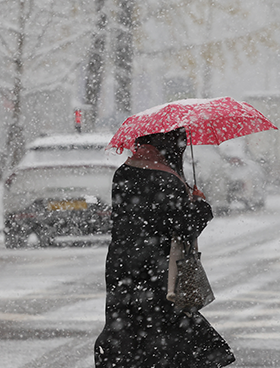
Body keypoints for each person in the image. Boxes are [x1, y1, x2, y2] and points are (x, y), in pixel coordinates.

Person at [94, 127, 235, 368]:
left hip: (122, 266)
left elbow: (139, 217)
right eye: (180, 143)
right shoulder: (167, 178)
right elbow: (182, 229)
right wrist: (200, 207)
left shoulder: (124, 172)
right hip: (158, 268)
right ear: (169, 145)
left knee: (129, 326)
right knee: (166, 335)